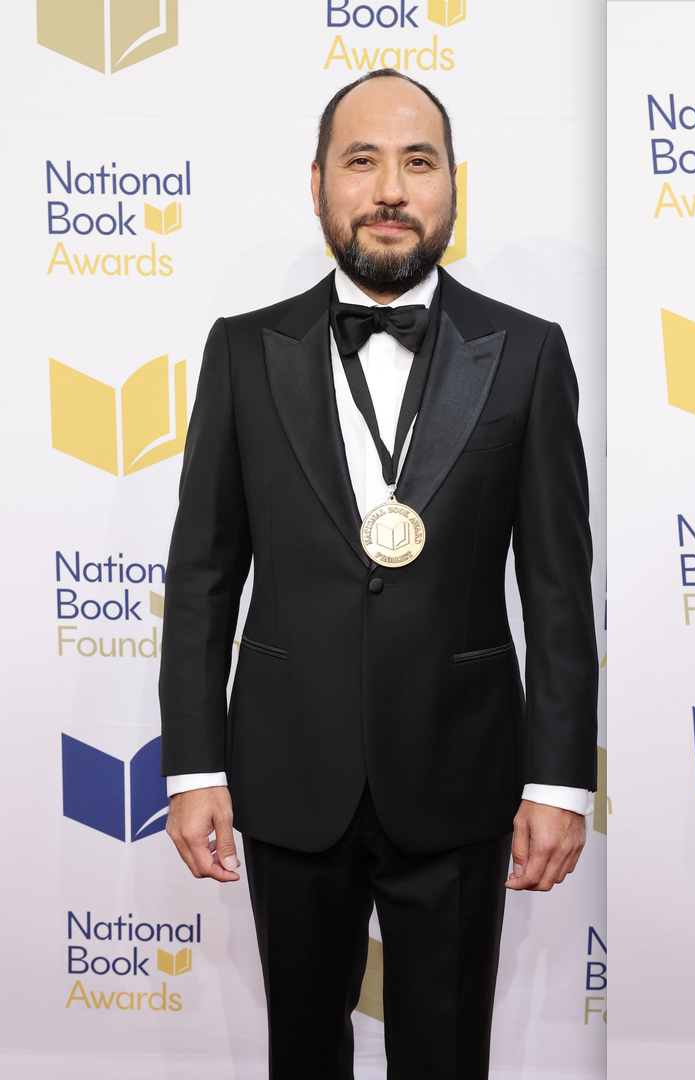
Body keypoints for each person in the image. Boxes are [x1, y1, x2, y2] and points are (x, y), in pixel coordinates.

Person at [158, 70, 598, 1079]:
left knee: (446, 1056)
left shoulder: (527, 355)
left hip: (462, 772)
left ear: (454, 186)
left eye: (418, 162)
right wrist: (194, 767)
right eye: (362, 162)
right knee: (302, 1053)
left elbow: (559, 590)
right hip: (285, 770)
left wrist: (561, 780)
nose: (390, 189)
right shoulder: (241, 352)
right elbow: (203, 578)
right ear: (318, 184)